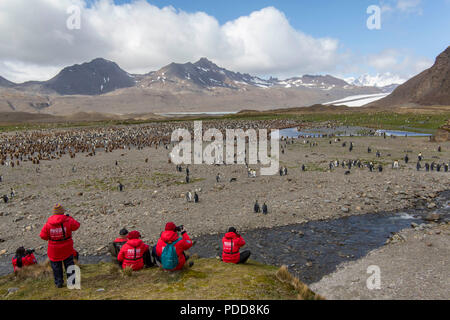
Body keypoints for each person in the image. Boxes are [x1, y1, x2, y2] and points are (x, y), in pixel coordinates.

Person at [40, 204, 80, 288]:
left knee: (56, 266)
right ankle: (72, 282)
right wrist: (70, 218)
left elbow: (43, 236)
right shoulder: (68, 220)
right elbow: (77, 226)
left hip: (53, 249)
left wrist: (51, 236)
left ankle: (59, 283)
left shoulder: (48, 223)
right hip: (67, 247)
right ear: (62, 211)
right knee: (69, 264)